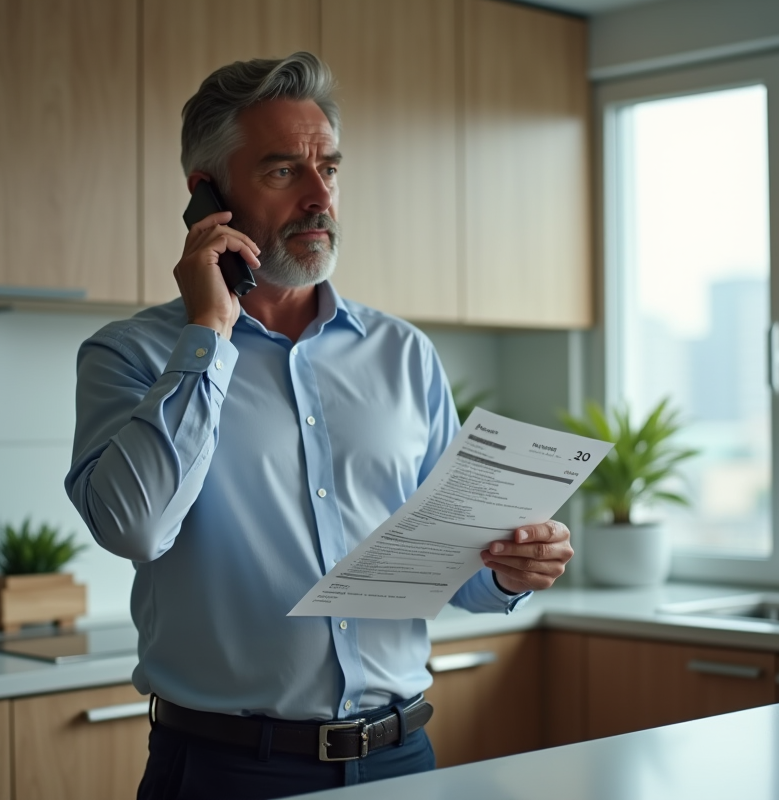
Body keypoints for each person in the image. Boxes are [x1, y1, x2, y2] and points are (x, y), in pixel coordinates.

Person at [64, 52, 574, 800]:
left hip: (401, 757)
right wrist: (209, 328)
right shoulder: (131, 356)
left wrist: (507, 568)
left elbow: (451, 565)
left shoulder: (403, 355)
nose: (318, 197)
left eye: (328, 169)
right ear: (208, 194)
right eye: (282, 172)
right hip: (225, 770)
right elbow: (134, 529)